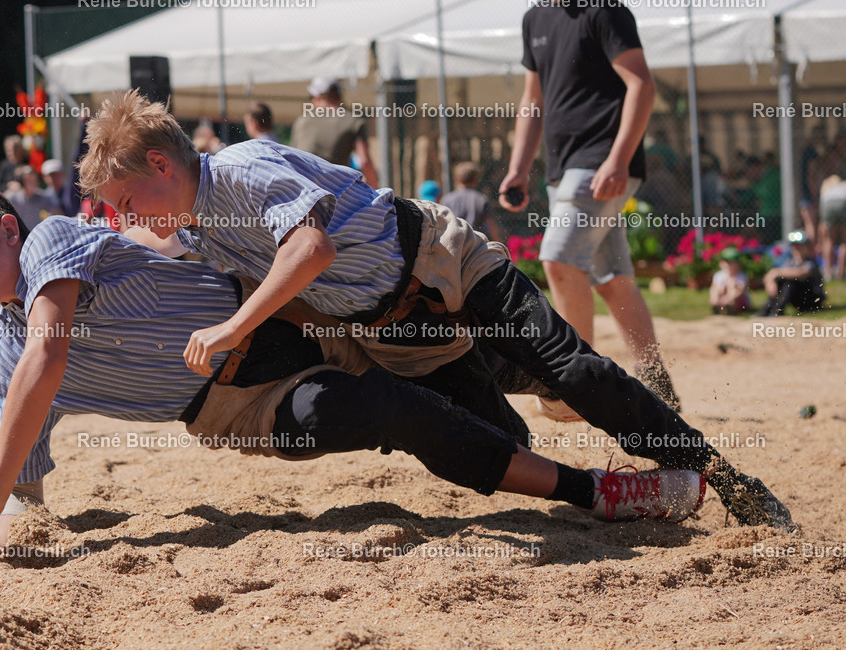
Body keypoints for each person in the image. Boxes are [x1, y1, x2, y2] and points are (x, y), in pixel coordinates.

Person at [77, 91, 795, 531]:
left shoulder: (240, 167)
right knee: (491, 437)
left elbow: (312, 250)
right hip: (394, 329)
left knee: (575, 370)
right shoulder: (197, 223)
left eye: (125, 202)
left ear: (163, 168)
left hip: (444, 260)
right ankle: (550, 410)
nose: (124, 218)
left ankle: (729, 480)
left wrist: (233, 328)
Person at [0, 183, 708, 548]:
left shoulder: (54, 239)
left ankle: (573, 393)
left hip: (284, 311)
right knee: (388, 410)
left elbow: (51, 348)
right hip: (236, 406)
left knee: (485, 353)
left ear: (9, 231)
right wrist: (16, 510)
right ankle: (599, 490)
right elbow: (27, 472)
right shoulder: (7, 358)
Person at [496, 0, 681, 418]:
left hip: (601, 162)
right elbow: (532, 101)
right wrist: (519, 167)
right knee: (612, 280)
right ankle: (659, 386)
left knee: (558, 261)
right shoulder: (534, 20)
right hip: (564, 168)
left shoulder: (604, 9)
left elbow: (641, 84)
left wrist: (618, 159)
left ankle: (575, 384)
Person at [291, 76, 378, 187]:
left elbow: (292, 159)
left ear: (317, 97)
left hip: (304, 190)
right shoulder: (353, 121)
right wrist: (375, 188)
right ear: (339, 96)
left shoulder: (301, 121)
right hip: (337, 190)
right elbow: (365, 162)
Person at [756, 231, 825, 317]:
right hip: (797, 300)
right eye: (795, 246)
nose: (797, 249)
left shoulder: (811, 262)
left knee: (790, 282)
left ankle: (777, 311)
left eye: (800, 246)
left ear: (808, 248)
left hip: (812, 300)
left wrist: (776, 273)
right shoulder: (791, 261)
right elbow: (773, 275)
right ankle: (767, 310)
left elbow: (801, 273)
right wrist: (771, 281)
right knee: (781, 280)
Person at [441, 162, 503, 242]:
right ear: (475, 180)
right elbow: (492, 225)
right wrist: (498, 241)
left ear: (456, 179)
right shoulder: (481, 199)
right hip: (476, 244)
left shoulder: (446, 199)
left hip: (454, 242)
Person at [4, 166, 61, 230]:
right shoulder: (11, 197)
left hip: (36, 236)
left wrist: (51, 216)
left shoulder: (43, 197)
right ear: (22, 182)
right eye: (30, 181)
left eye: (35, 180)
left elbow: (57, 212)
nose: (34, 183)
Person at [818, 174, 846, 280]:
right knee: (844, 241)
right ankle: (841, 273)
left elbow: (822, 226)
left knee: (829, 240)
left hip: (827, 204)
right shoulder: (843, 186)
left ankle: (828, 273)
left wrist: (820, 242)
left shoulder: (826, 188)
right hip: (844, 202)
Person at [709, 248, 751, 315]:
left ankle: (729, 307)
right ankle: (716, 305)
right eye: (726, 261)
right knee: (717, 288)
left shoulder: (741, 276)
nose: (728, 265)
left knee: (733, 283)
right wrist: (715, 298)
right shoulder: (719, 275)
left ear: (737, 264)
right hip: (722, 298)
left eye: (730, 262)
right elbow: (714, 288)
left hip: (737, 301)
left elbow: (740, 291)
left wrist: (728, 298)